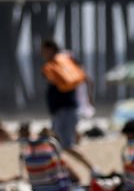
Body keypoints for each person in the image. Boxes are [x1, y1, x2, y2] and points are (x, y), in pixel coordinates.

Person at [40, 39, 96, 173]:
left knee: (65, 146)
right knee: (55, 145)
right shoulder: (62, 63)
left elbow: (84, 79)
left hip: (65, 111)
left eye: (43, 50)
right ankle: (63, 173)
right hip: (60, 112)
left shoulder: (59, 65)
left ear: (51, 49)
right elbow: (86, 79)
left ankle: (93, 169)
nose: (42, 54)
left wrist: (89, 98)